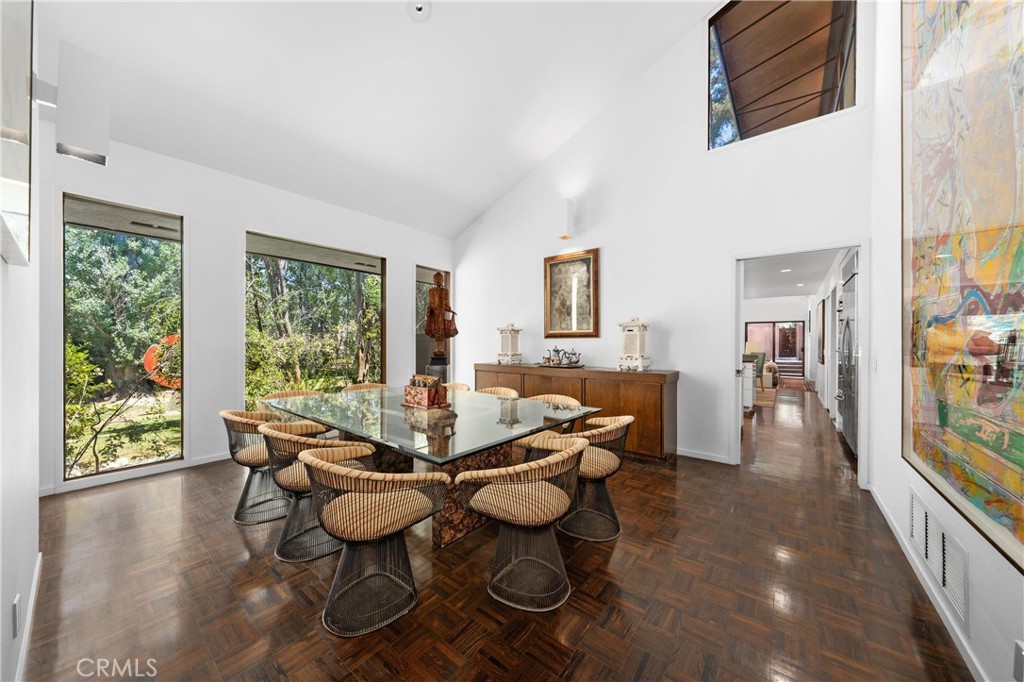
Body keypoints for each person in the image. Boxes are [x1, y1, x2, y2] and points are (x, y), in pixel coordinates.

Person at [425, 271, 458, 356]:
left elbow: (446, 303)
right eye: (437, 279)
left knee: (442, 329)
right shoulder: (431, 290)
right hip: (435, 314)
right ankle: (437, 348)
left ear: (443, 280)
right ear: (433, 280)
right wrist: (432, 308)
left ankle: (441, 348)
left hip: (442, 313)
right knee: (436, 329)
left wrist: (450, 310)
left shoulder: (445, 291)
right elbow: (431, 302)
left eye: (440, 279)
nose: (438, 281)